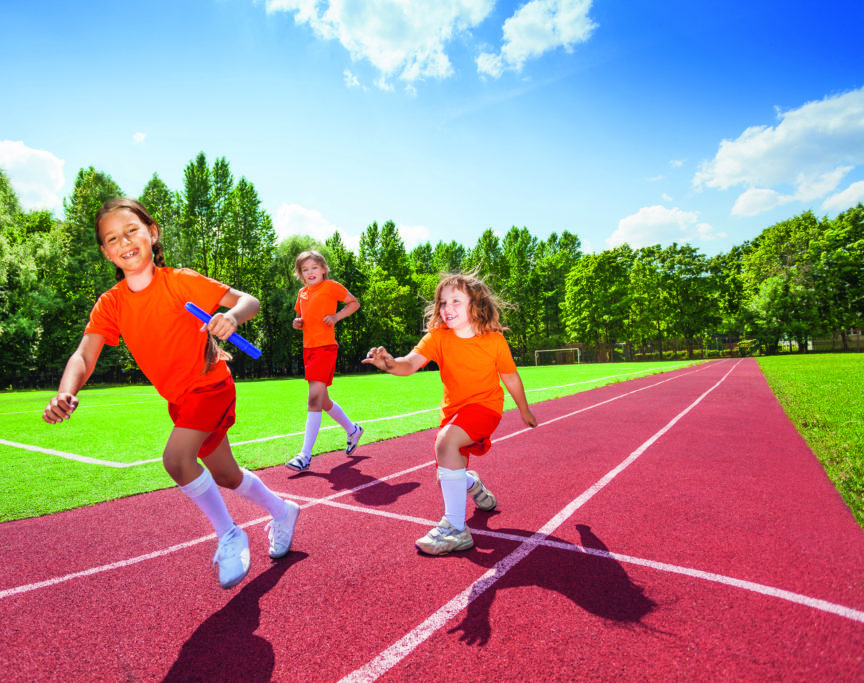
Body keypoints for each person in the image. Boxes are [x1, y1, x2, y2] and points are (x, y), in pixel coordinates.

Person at [42, 198, 299, 590]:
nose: (124, 241)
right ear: (105, 251)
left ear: (152, 233)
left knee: (177, 461)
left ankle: (230, 534)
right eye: (112, 238)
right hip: (180, 400)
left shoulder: (180, 280)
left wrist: (231, 316)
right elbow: (84, 354)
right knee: (226, 475)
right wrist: (65, 390)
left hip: (211, 387)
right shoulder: (111, 304)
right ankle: (283, 511)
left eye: (131, 230)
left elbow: (250, 301)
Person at [362, 272, 538, 555]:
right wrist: (389, 364)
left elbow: (511, 377)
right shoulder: (437, 337)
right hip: (454, 413)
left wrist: (524, 410)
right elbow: (409, 364)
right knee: (447, 475)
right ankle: (472, 483)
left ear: (476, 305)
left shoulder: (494, 341)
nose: (447, 308)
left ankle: (456, 530)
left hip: (485, 408)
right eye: (443, 302)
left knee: (445, 443)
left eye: (456, 300)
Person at [285, 250, 365, 472]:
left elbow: (354, 303)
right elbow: (302, 317)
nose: (310, 272)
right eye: (305, 270)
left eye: (314, 268)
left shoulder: (331, 287)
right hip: (308, 350)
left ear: (323, 269)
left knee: (313, 400)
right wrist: (298, 322)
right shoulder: (302, 293)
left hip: (325, 349)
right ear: (301, 274)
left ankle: (304, 456)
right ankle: (352, 430)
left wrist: (336, 317)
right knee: (323, 401)